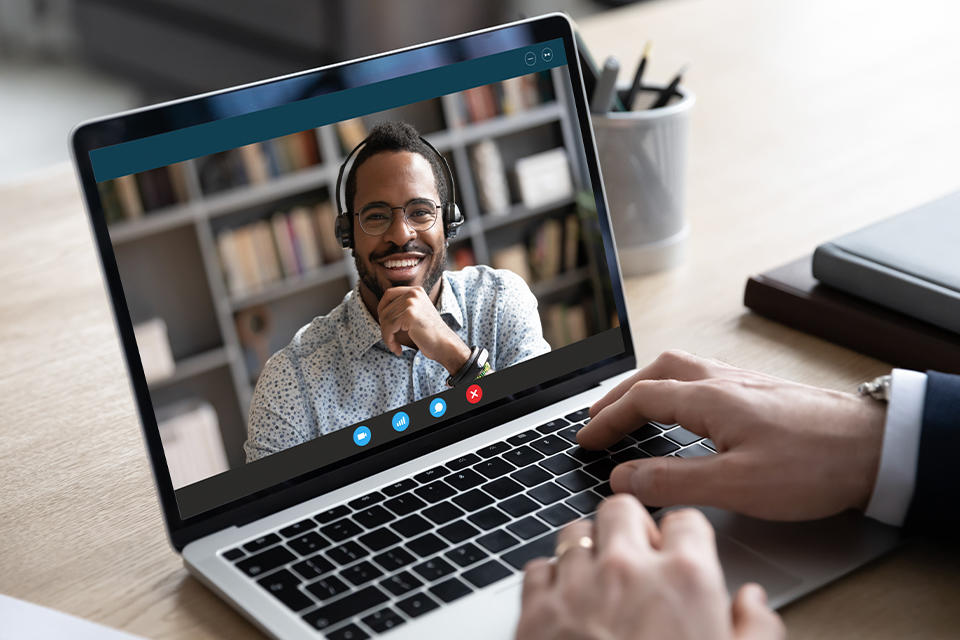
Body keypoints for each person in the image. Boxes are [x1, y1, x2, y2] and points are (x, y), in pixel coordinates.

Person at [516, 349, 959, 639]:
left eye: (440, 210)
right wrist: (881, 436)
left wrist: (872, 435)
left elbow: (503, 372)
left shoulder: (501, 292)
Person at [245, 122, 550, 461]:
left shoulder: (500, 300)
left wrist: (456, 357)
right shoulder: (292, 378)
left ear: (449, 223)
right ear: (348, 236)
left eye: (420, 212)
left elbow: (541, 441)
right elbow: (270, 508)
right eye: (376, 217)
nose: (401, 235)